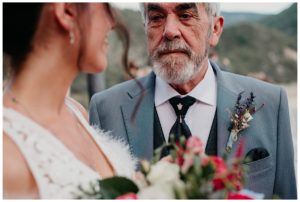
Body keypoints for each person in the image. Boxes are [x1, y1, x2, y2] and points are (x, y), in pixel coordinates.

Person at [89, 3, 297, 199]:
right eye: (156, 17)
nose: (169, 31)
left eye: (185, 15)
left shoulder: (270, 103)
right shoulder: (106, 109)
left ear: (215, 29)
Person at [3, 3, 136, 199]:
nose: (112, 21)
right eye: (104, 6)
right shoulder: (7, 153)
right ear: (66, 11)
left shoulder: (77, 112)